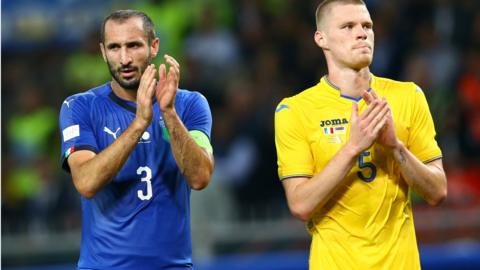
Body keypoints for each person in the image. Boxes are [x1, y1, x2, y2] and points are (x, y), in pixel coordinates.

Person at [274, 0, 447, 269]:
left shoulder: (408, 96)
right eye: (347, 26)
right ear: (322, 39)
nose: (361, 33)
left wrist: (394, 147)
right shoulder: (294, 110)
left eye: (367, 25)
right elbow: (300, 204)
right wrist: (352, 148)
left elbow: (437, 191)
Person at [59, 10, 214, 269]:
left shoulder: (189, 105)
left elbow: (200, 177)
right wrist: (140, 122)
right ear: (102, 52)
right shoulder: (79, 107)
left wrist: (169, 114)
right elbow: (85, 182)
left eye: (133, 45)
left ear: (154, 46)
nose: (124, 58)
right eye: (114, 47)